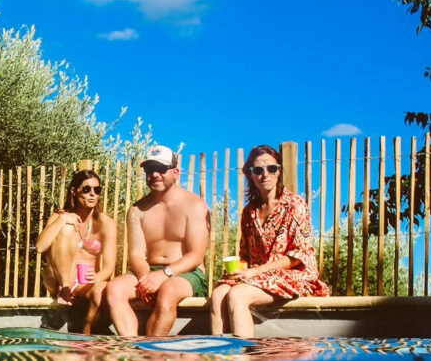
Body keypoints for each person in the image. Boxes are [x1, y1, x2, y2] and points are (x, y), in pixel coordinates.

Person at [208, 144, 329, 337]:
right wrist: (240, 270)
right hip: (258, 276)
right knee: (217, 295)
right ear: (251, 174)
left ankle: (243, 359)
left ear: (279, 171)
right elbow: (246, 254)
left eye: (271, 168)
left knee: (238, 295)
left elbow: (297, 257)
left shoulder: (295, 205)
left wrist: (254, 271)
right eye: (258, 170)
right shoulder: (249, 212)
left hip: (293, 275)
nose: (265, 174)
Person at [103, 145, 211, 336]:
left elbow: (196, 256)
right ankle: (132, 349)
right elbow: (136, 254)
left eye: (160, 169)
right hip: (150, 271)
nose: (154, 174)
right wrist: (146, 277)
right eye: (149, 170)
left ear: (176, 172)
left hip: (187, 273)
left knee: (168, 291)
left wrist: (164, 275)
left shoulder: (195, 205)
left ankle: (150, 351)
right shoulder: (137, 210)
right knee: (114, 289)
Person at [34, 168, 117, 333]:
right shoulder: (60, 217)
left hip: (86, 283)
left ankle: (85, 339)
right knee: (65, 228)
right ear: (74, 191)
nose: (92, 194)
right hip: (59, 281)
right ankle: (65, 289)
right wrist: (63, 219)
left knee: (102, 290)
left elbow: (109, 266)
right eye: (86, 189)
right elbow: (40, 247)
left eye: (97, 190)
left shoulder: (106, 223)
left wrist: (98, 277)